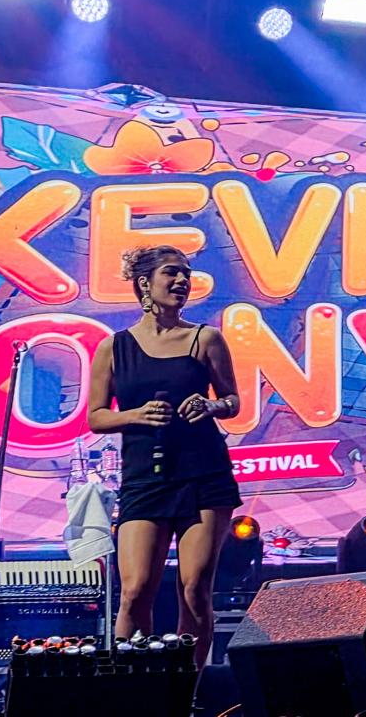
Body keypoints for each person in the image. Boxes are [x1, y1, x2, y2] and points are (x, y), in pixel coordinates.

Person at [85, 246, 242, 668]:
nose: (182, 281)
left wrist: (212, 405)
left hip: (204, 475)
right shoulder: (114, 348)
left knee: (194, 589)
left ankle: (185, 691)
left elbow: (232, 400)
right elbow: (96, 416)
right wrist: (135, 415)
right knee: (135, 589)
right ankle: (132, 687)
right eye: (172, 272)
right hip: (145, 478)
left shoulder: (205, 339)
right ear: (144, 283)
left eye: (186, 274)